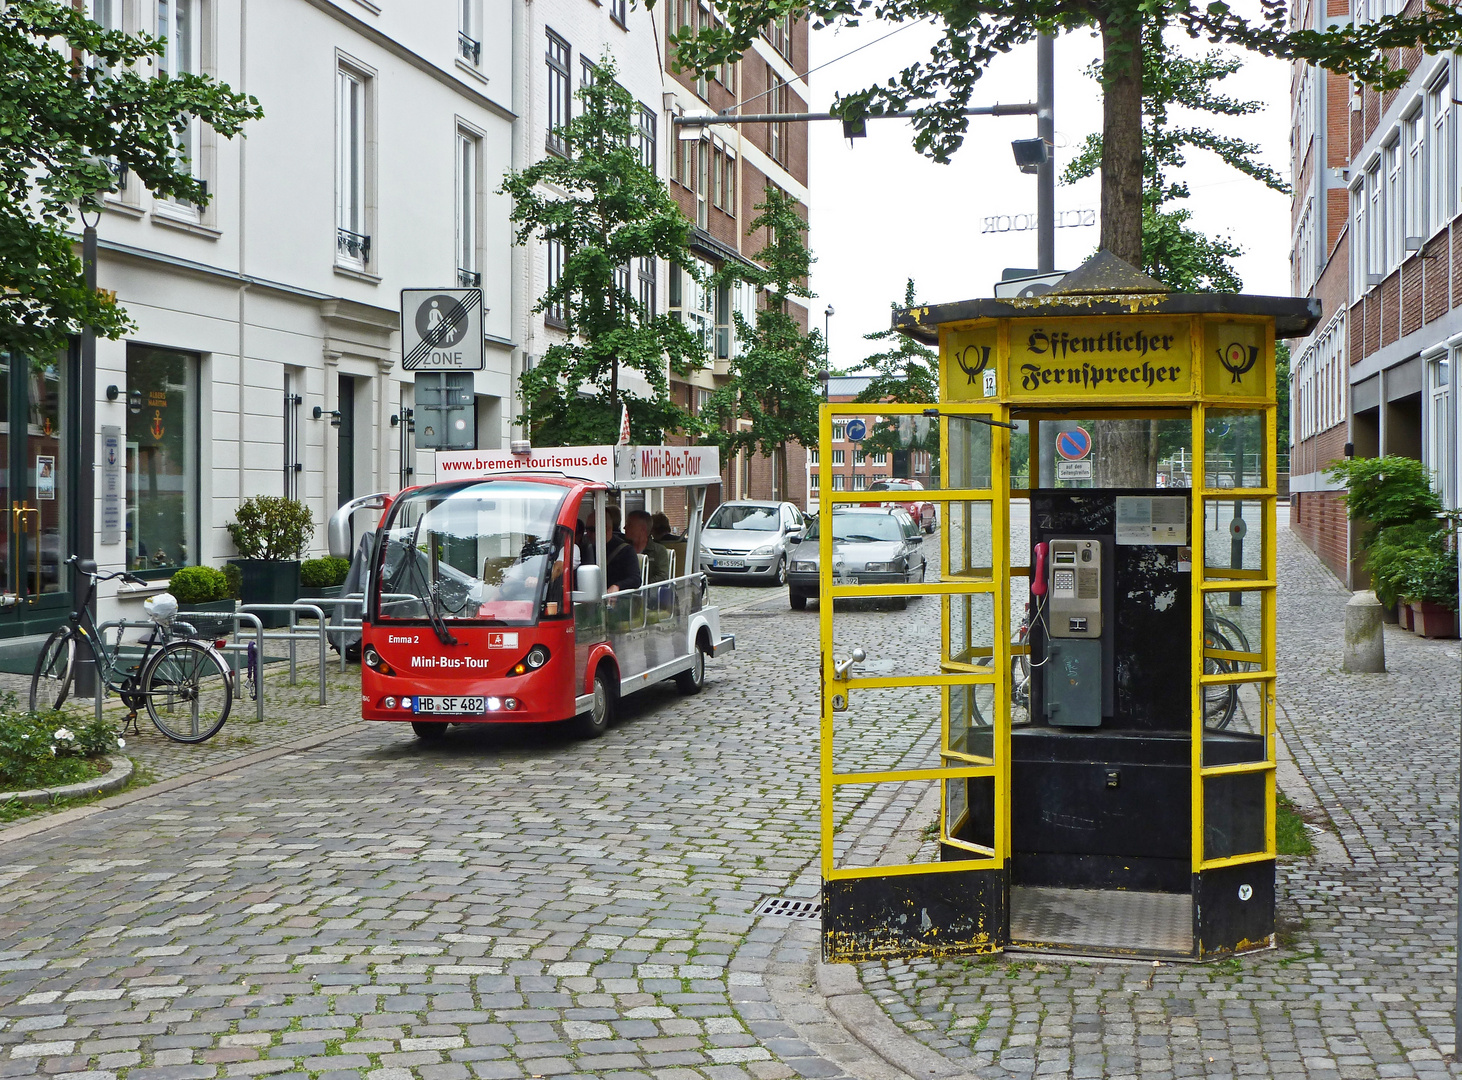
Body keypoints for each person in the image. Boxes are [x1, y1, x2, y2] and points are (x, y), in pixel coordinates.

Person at [602, 505, 641, 593]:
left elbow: (636, 579)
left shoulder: (626, 550)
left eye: (592, 530)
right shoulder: (586, 547)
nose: (587, 534)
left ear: (607, 529)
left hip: (616, 600)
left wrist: (618, 586)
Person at [626, 509, 671, 584]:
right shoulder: (623, 549)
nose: (624, 527)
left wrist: (641, 584)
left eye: (629, 525)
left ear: (642, 529)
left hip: (650, 594)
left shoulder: (659, 551)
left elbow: (663, 577)